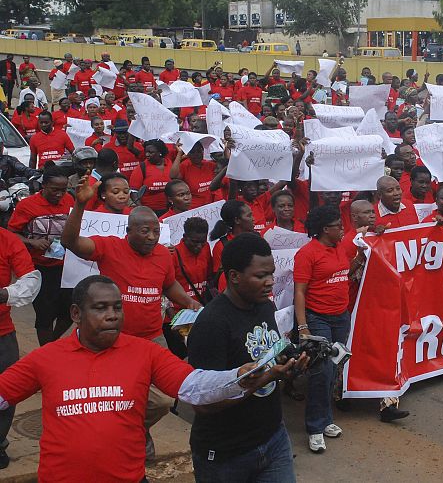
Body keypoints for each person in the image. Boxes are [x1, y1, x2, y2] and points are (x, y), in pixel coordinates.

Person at [0, 274, 299, 483]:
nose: (113, 315)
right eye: (100, 308)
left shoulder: (144, 352)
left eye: (117, 307)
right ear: (76, 313)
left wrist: (239, 377)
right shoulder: (46, 358)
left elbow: (193, 386)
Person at [62, 180, 202, 459]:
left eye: (156, 231)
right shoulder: (109, 248)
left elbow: (168, 284)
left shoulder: (163, 254)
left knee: (163, 399)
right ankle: (119, 439)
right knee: (107, 396)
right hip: (111, 341)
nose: (152, 237)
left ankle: (132, 429)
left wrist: (187, 301)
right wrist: (79, 204)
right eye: (145, 231)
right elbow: (70, 242)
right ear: (128, 232)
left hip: (152, 339)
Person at [188, 234, 309, 480]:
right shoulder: (212, 324)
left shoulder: (265, 306)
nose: (270, 282)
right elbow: (203, 404)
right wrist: (264, 379)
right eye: (260, 276)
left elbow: (271, 359)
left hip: (274, 440)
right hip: (226, 455)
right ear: (234, 277)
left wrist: (291, 368)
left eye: (271, 274)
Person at [294, 206, 356, 452]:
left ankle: (326, 418)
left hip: (341, 317)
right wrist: (303, 327)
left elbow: (342, 273)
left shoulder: (339, 247)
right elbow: (300, 291)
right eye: (338, 226)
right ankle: (315, 428)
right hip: (317, 318)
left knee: (333, 369)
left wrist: (357, 262)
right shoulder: (307, 254)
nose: (342, 229)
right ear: (324, 229)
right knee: (320, 372)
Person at [7, 163, 74, 345]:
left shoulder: (69, 201)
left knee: (70, 311)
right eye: (54, 190)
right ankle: (47, 350)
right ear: (43, 186)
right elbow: (11, 234)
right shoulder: (27, 206)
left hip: (67, 268)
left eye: (63, 189)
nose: (60, 194)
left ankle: (52, 343)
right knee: (45, 315)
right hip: (40, 268)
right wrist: (32, 242)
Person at [0, 226, 41, 470]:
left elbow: (31, 279)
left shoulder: (7, 240)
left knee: (6, 391)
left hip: (2, 333)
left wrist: (4, 294)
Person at [166, 217, 213, 358]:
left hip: (199, 314)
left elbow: (209, 277)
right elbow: (165, 287)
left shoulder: (206, 249)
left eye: (202, 242)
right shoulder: (173, 254)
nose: (198, 246)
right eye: (194, 242)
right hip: (177, 318)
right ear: (184, 237)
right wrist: (173, 320)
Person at [129, 139, 172, 215]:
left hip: (170, 210)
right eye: (146, 152)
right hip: (149, 212)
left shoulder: (170, 164)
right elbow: (134, 192)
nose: (147, 155)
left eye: (151, 152)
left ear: (160, 153)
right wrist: (142, 210)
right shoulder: (142, 167)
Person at [170, 140, 215, 208]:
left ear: (203, 152)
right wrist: (179, 153)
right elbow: (173, 176)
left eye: (199, 151)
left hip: (212, 208)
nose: (196, 154)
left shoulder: (210, 165)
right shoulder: (184, 166)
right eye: (192, 152)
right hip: (194, 209)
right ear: (188, 154)